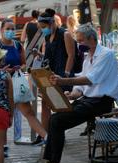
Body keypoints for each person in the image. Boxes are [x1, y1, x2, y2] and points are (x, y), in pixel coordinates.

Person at [29, 24, 118, 163]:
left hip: (101, 102)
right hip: (88, 99)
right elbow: (81, 88)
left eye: (81, 41)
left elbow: (90, 80)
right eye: (77, 41)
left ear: (91, 38)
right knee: (55, 119)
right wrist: (72, 94)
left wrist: (63, 81)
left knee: (58, 121)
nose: (79, 45)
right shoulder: (87, 57)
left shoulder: (106, 54)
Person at [0, 18, 47, 154]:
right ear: (1, 30)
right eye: (7, 28)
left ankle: (47, 138)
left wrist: (21, 67)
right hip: (1, 85)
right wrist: (2, 71)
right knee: (4, 116)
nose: (10, 31)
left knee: (29, 112)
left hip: (17, 83)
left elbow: (25, 63)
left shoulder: (17, 45)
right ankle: (3, 146)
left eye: (12, 29)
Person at [32, 8, 75, 145]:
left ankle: (58, 136)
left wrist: (66, 75)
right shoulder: (47, 37)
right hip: (50, 74)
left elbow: (71, 55)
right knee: (45, 104)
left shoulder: (65, 34)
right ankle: (46, 136)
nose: (42, 30)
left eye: (44, 27)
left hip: (62, 75)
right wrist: (39, 55)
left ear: (51, 23)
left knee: (59, 106)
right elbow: (48, 57)